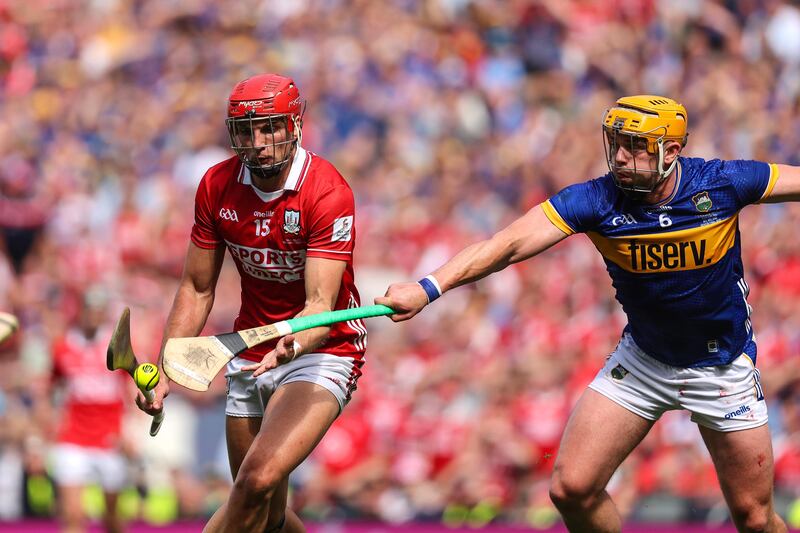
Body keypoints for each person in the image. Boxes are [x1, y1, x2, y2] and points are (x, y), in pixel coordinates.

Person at [377, 95, 798, 533]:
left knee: (753, 518)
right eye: (615, 143)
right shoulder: (596, 200)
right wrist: (428, 287)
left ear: (671, 152)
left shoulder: (724, 182)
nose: (619, 157)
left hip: (722, 366)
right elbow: (506, 245)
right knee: (571, 489)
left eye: (635, 146)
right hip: (645, 361)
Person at [136, 73, 369, 533]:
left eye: (269, 128)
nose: (258, 142)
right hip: (250, 348)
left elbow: (320, 305)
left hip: (322, 349)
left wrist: (292, 344)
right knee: (268, 516)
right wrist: (167, 368)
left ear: (295, 125)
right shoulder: (216, 186)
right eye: (246, 131)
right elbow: (197, 288)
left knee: (255, 481)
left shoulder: (327, 191)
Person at [48, 289, 130, 533]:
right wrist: (49, 422)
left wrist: (131, 431)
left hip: (110, 438)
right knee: (73, 515)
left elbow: (133, 387)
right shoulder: (63, 347)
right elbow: (50, 387)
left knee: (112, 518)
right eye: (90, 309)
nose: (94, 315)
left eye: (99, 310)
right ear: (81, 311)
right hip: (73, 437)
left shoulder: (118, 346)